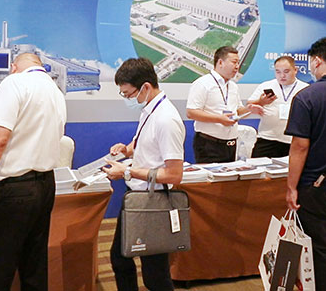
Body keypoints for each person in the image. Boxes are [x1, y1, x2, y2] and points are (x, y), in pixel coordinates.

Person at [0, 53, 67, 291]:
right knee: (34, 266)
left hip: (13, 189)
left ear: (13, 67)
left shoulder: (14, 83)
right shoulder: (56, 92)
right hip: (45, 186)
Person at [102, 58, 185, 291]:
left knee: (155, 274)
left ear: (146, 87)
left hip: (154, 202)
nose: (128, 99)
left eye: (129, 94)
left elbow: (174, 174)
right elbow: (144, 143)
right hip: (137, 198)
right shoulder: (150, 109)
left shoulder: (166, 119)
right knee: (121, 257)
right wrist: (126, 150)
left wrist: (127, 171)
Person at [285, 36, 326, 291]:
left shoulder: (307, 97)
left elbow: (300, 146)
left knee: (321, 255)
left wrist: (291, 187)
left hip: (318, 189)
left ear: (317, 61)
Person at [186, 46, 263, 163]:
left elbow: (237, 111)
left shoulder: (233, 86)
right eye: (234, 62)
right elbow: (191, 112)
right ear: (220, 62)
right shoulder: (202, 83)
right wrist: (219, 119)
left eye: (238, 63)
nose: (237, 66)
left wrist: (249, 109)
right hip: (209, 144)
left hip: (231, 144)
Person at [247, 56, 308, 158]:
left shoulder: (305, 89)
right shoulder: (266, 86)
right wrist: (259, 103)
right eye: (278, 72)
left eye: (286, 71)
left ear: (295, 70)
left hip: (292, 140)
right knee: (257, 166)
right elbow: (250, 104)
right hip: (267, 137)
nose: (282, 76)